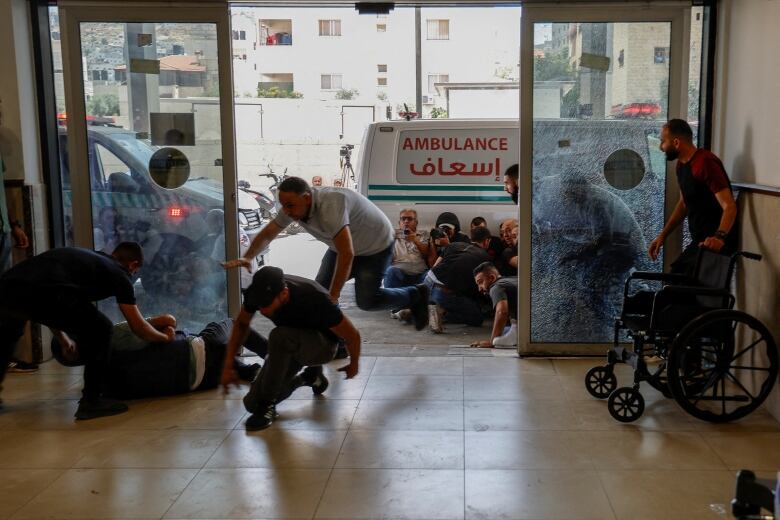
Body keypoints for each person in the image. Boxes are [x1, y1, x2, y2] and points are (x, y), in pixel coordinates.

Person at [224, 176, 429, 330]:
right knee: (319, 296)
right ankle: (336, 343)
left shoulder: (332, 206)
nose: (286, 211)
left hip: (375, 246)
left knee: (367, 301)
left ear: (306, 197)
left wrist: (335, 294)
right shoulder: (294, 206)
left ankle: (415, 294)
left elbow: (346, 254)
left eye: (290, 206)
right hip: (343, 247)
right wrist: (248, 256)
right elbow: (269, 231)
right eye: (283, 205)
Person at [0, 242, 174, 419]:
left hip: (8, 286)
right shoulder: (119, 274)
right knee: (102, 329)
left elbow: (47, 301)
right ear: (133, 265)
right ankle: (91, 401)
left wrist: (63, 339)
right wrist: (164, 338)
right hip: (45, 291)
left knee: (6, 337)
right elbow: (138, 327)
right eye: (135, 272)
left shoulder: (90, 260)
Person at [221, 266, 362, 431]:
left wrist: (354, 365)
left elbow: (353, 335)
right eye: (260, 305)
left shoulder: (315, 298)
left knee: (279, 336)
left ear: (284, 294)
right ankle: (309, 378)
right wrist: (228, 364)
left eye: (267, 304)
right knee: (252, 404)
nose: (263, 310)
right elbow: (242, 324)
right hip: (290, 344)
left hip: (323, 347)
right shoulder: (257, 293)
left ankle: (268, 405)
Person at [51, 316, 267, 399]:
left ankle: (249, 370)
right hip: (197, 353)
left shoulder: (102, 387)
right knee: (235, 325)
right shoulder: (113, 335)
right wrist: (167, 333)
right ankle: (276, 357)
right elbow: (167, 319)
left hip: (200, 383)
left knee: (215, 353)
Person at [648, 119, 738, 275]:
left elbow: (729, 206)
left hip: (715, 244)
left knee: (680, 287)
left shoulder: (705, 163)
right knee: (675, 278)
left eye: (663, 142)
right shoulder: (681, 166)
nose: (661, 147)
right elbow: (684, 204)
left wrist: (719, 237)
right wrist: (662, 236)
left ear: (676, 142)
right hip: (699, 241)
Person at [425, 226, 492, 333]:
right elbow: (478, 287)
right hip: (443, 291)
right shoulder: (485, 259)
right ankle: (442, 312)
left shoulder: (454, 245)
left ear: (471, 238)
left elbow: (435, 266)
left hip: (428, 281)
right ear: (486, 241)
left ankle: (427, 309)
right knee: (477, 318)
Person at [0, 152, 33, 373]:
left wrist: (14, 224)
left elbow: (2, 191)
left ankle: (5, 356)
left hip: (1, 231)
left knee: (5, 294)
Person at [472, 262, 518, 348]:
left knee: (497, 340)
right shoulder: (513, 279)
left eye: (480, 282)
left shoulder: (496, 287)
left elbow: (502, 311)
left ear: (492, 278)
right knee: (504, 330)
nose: (479, 288)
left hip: (529, 327)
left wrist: (492, 342)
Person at [385, 209, 429, 289]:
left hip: (420, 274)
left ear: (416, 222)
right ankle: (391, 300)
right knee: (390, 271)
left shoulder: (423, 234)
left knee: (431, 274)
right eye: (403, 219)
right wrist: (391, 241)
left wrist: (415, 240)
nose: (406, 221)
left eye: (409, 219)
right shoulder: (392, 236)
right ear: (399, 223)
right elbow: (386, 260)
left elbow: (426, 254)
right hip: (399, 274)